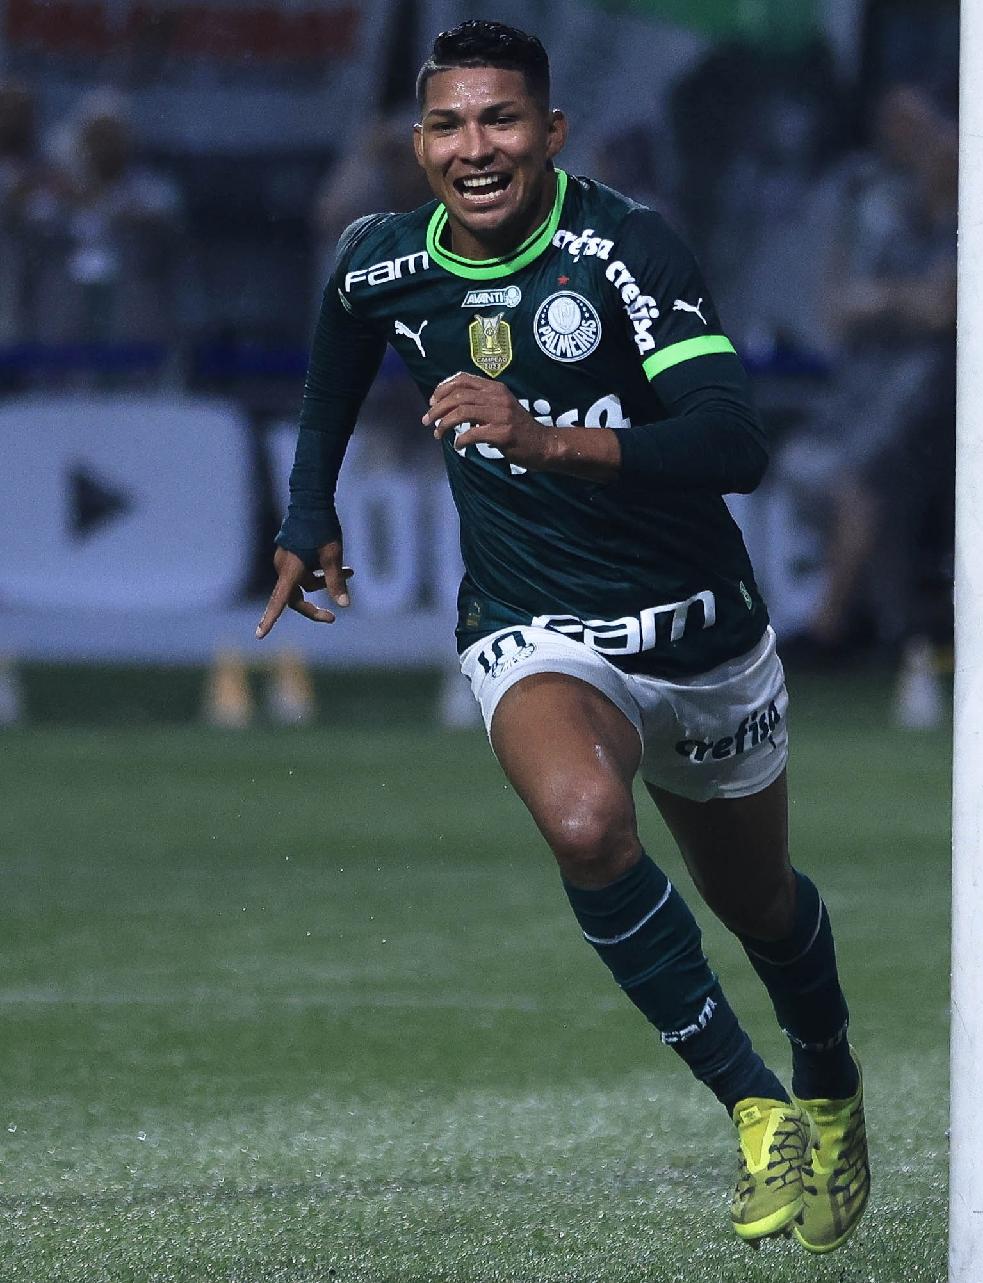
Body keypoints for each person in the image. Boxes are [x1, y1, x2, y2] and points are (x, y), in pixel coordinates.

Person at [255, 21, 868, 1252]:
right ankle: (757, 1109)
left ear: (551, 134)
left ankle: (828, 1073)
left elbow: (732, 440)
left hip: (702, 635)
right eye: (447, 125)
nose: (473, 148)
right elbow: (336, 344)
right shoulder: (384, 260)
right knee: (586, 823)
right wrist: (307, 506)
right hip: (535, 626)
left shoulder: (625, 249)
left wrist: (545, 437)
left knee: (758, 904)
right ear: (416, 141)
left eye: (500, 122)